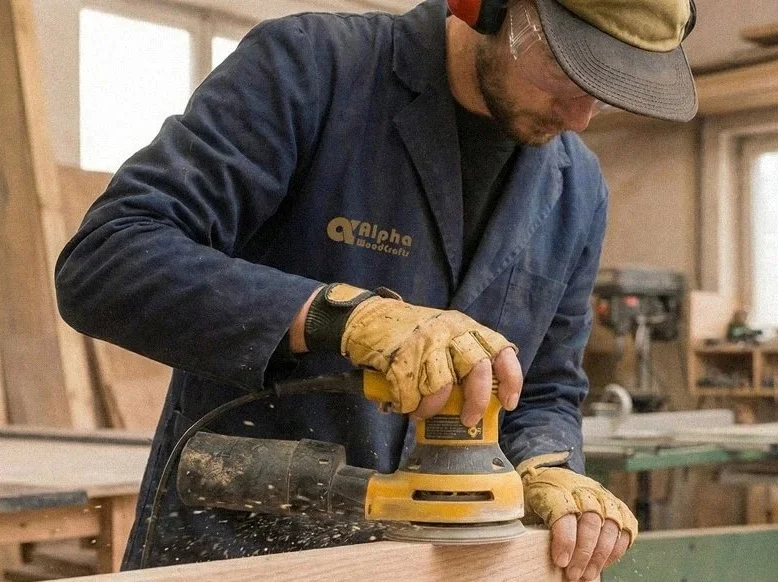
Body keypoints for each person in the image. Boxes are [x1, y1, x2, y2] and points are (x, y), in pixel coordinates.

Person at [55, 0, 697, 579]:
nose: (581, 117)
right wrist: (343, 317)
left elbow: (547, 386)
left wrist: (547, 464)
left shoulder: (576, 187)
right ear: (486, 7)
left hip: (431, 567)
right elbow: (107, 258)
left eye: (605, 92)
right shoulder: (313, 70)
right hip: (239, 549)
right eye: (567, 72)